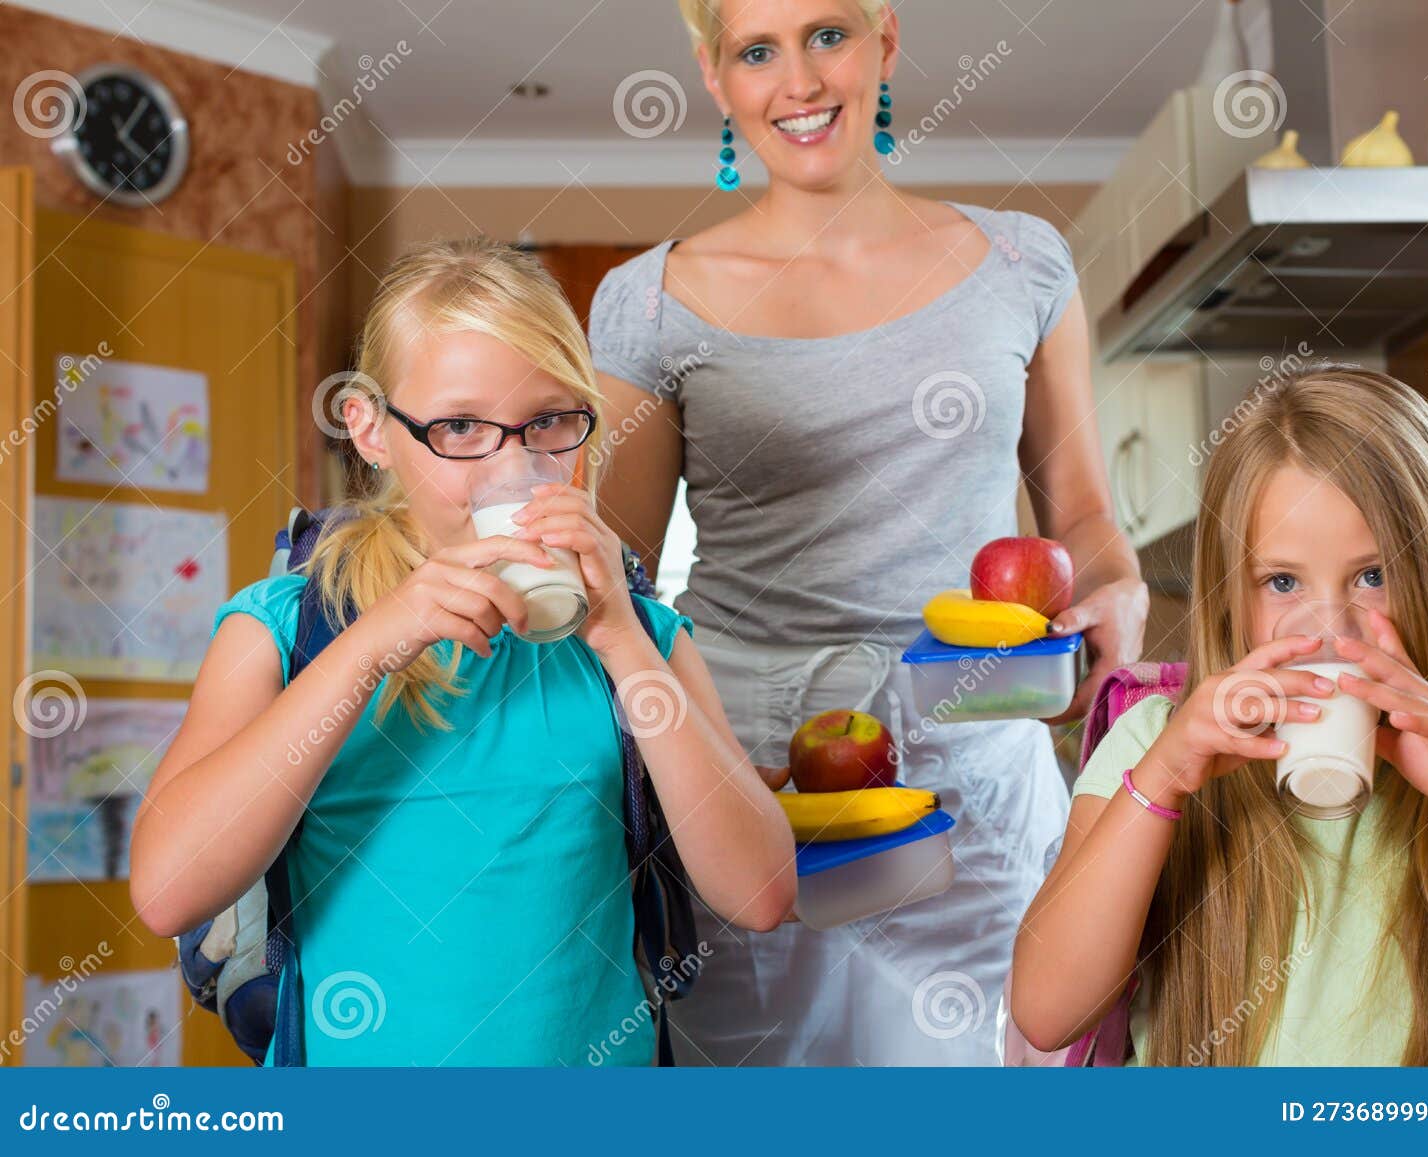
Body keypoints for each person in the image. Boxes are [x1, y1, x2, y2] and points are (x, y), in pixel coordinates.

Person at [589, 0, 1146, 1065]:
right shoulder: (649, 304)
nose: (797, 81)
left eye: (827, 34)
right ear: (715, 77)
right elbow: (619, 584)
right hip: (749, 786)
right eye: (757, 51)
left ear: (884, 41)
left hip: (971, 764)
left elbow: (1084, 522)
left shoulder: (1020, 266)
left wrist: (1117, 593)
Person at [130, 238, 794, 1066]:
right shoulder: (285, 624)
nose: (513, 466)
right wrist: (373, 643)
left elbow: (761, 894)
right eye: (460, 426)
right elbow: (167, 890)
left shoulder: (640, 634)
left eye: (550, 421)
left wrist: (621, 637)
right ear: (370, 429)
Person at [1011, 367, 1428, 1066]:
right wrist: (1164, 778)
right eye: (1283, 581)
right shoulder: (1154, 745)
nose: (1330, 627)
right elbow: (1047, 1012)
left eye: (1373, 575)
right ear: (1235, 599)